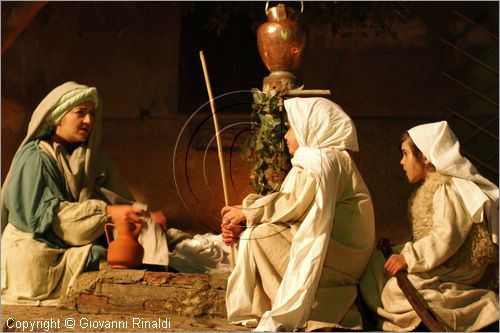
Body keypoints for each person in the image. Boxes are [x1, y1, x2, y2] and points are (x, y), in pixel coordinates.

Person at [1, 81, 168, 306]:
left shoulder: (85, 159)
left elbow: (115, 200)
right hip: (34, 251)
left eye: (91, 113)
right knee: (99, 257)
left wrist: (144, 216)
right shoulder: (36, 158)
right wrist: (107, 213)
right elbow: (51, 219)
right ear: (58, 116)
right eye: (80, 113)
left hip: (63, 246)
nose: (89, 120)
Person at [221, 97, 375, 331]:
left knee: (258, 235)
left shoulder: (323, 160)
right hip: (339, 260)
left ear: (309, 128)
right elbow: (296, 212)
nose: (286, 136)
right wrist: (245, 219)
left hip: (336, 262)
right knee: (253, 233)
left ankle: (288, 308)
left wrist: (248, 213)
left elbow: (293, 203)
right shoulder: (329, 160)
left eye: (292, 127)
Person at [359, 121, 499, 331]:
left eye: (405, 154)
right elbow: (428, 234)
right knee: (376, 263)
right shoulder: (431, 189)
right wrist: (401, 250)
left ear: (424, 157)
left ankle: (472, 303)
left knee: (393, 290)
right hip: (441, 258)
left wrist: (408, 257)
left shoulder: (448, 188)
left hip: (454, 266)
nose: (401, 161)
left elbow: (447, 237)